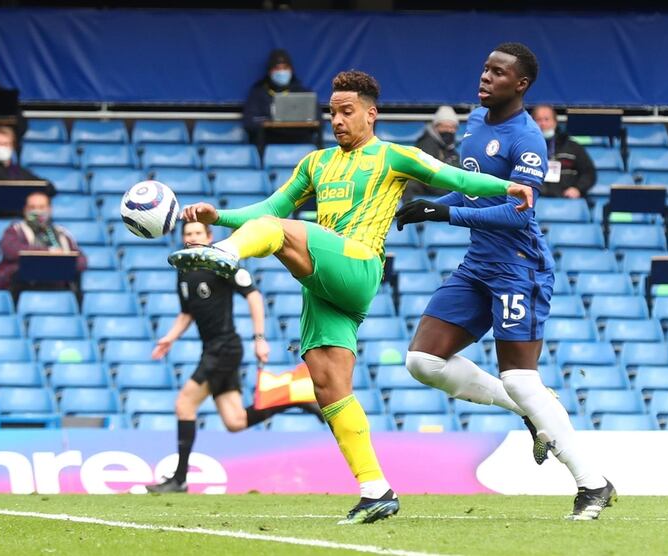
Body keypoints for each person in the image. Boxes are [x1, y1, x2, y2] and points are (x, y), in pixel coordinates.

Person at [168, 70, 533, 524]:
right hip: (323, 278)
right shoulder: (315, 164)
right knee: (327, 386)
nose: (337, 120)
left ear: (370, 113)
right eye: (333, 113)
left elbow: (455, 177)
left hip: (358, 265)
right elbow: (268, 209)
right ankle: (375, 490)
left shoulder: (395, 156)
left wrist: (506, 186)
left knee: (279, 234)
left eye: (347, 112)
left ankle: (223, 257)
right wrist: (217, 213)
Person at [394, 43, 616, 521]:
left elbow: (519, 213)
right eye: (485, 69)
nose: (486, 77)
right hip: (479, 265)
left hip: (519, 266)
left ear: (521, 85)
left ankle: (592, 484)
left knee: (520, 376)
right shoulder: (475, 123)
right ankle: (527, 409)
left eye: (498, 72)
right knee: (422, 361)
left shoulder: (527, 139)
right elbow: (475, 190)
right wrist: (431, 203)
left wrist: (445, 212)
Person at [146, 221, 322, 493]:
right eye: (188, 234)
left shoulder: (222, 263)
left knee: (184, 404)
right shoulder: (183, 270)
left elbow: (253, 296)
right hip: (213, 349)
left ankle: (179, 479)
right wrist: (170, 337)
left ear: (209, 237)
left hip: (224, 348)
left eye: (197, 233)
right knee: (235, 422)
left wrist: (260, 339)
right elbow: (187, 313)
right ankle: (293, 398)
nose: (192, 238)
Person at [0, 190, 86, 300]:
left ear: (50, 210)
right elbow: (10, 250)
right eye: (32, 207)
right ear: (25, 210)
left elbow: (81, 260)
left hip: (58, 285)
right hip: (23, 287)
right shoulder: (15, 230)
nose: (37, 211)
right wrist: (49, 253)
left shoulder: (62, 233)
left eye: (42, 207)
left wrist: (65, 262)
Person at [243, 48, 320, 150]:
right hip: (269, 144)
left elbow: (319, 121)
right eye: (277, 68)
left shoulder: (303, 92)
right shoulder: (258, 92)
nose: (281, 72)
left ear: (291, 70)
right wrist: (269, 121)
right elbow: (249, 123)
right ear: (270, 71)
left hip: (300, 142)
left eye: (285, 68)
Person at [0, 126, 46, 230]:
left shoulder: (18, 170)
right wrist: (25, 193)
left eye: (6, 144)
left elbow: (47, 187)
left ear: (12, 146)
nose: (2, 148)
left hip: (20, 224)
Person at [530, 104, 596, 198]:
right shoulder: (525, 147)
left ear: (555, 122)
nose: (543, 124)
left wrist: (577, 188)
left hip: (567, 201)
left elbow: (589, 173)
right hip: (536, 200)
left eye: (547, 119)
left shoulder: (573, 147)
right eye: (539, 120)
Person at [402, 105, 461, 202]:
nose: (449, 130)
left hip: (441, 188)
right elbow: (427, 174)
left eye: (453, 127)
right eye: (445, 126)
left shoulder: (450, 148)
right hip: (424, 189)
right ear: (436, 127)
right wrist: (447, 194)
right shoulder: (426, 144)